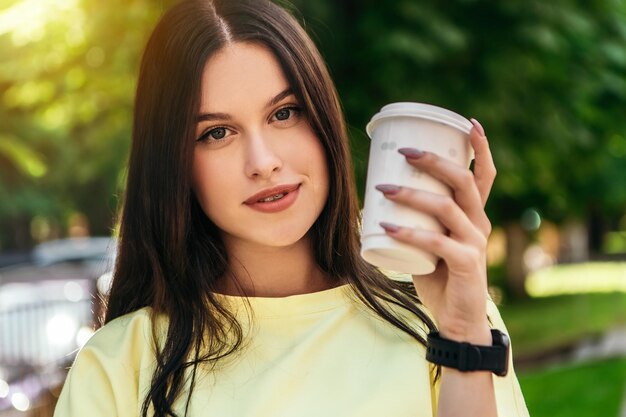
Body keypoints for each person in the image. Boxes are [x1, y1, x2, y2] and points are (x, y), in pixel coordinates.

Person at [54, 0, 529, 416]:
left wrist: (463, 335)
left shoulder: (440, 312)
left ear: (322, 118)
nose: (263, 162)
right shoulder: (117, 367)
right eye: (216, 133)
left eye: (284, 113)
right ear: (173, 162)